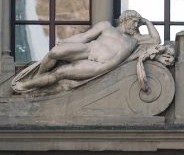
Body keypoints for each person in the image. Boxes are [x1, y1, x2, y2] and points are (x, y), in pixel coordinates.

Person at [11, 10, 159, 93]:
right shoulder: (106, 26)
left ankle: (26, 86)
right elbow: (84, 36)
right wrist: (67, 42)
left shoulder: (135, 40)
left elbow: (156, 40)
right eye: (133, 21)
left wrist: (146, 21)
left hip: (98, 65)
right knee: (55, 52)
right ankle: (37, 77)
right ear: (124, 20)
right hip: (87, 49)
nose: (135, 25)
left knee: (60, 72)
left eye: (137, 23)